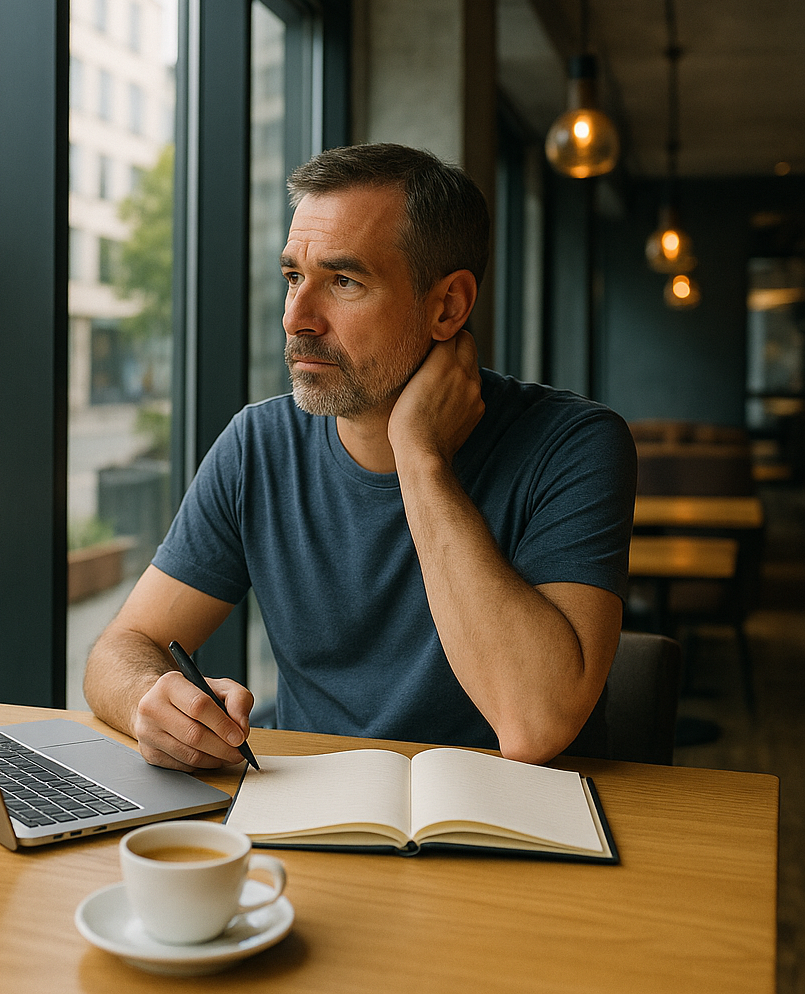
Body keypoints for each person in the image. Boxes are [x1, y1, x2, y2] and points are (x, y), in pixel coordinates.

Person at [84, 142, 637, 771]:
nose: (297, 318)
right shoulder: (258, 446)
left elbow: (535, 725)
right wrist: (149, 704)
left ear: (448, 306)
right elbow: (121, 648)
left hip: (512, 832)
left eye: (344, 281)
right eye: (294, 276)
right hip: (309, 817)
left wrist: (421, 459)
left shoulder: (575, 445)